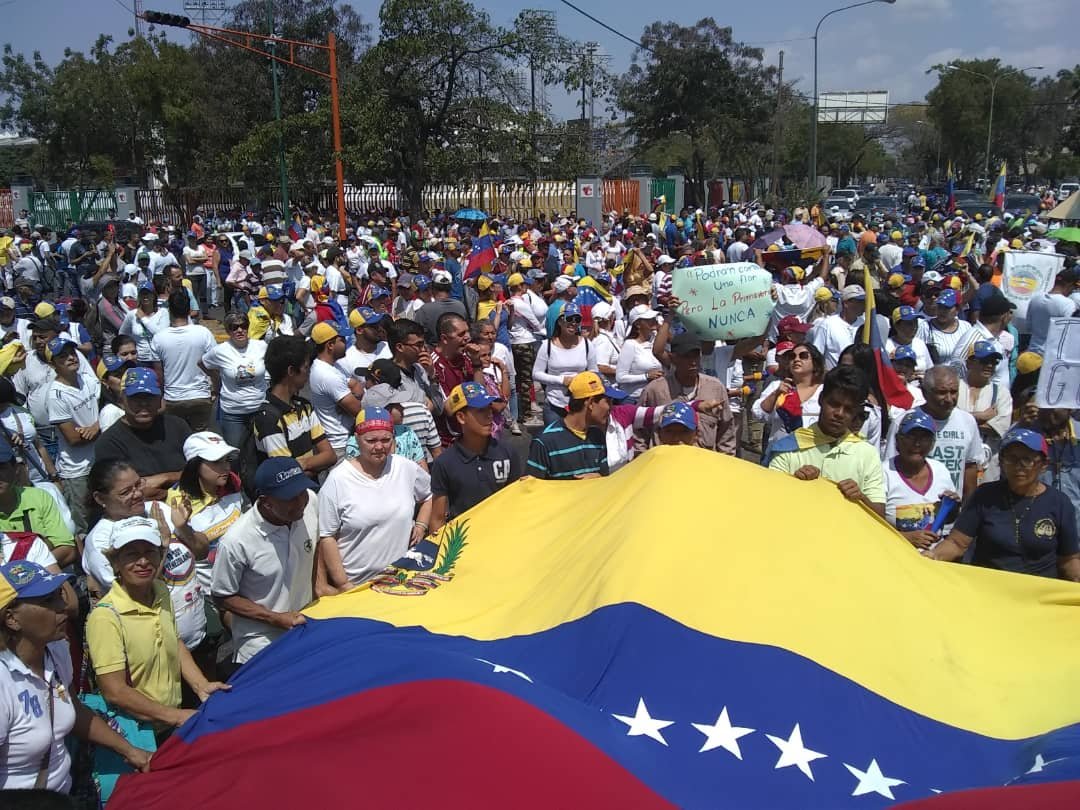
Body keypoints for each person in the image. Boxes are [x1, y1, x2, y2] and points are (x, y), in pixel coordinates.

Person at [0, 560, 152, 791]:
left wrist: (131, 751)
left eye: (59, 595)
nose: (63, 605)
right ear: (12, 618)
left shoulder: (57, 649)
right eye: (48, 601)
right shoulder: (3, 683)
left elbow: (73, 708)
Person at [85, 516, 229, 736]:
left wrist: (201, 685)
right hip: (140, 734)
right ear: (115, 563)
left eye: (150, 552)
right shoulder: (105, 617)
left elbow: (174, 642)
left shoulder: (160, 590)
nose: (143, 561)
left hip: (171, 723)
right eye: (132, 554)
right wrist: (175, 716)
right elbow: (114, 691)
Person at [83, 458, 209, 657]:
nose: (138, 494)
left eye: (138, 484)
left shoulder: (158, 509)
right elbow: (136, 595)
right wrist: (163, 545)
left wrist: (184, 528)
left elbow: (202, 552)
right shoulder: (100, 542)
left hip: (199, 632)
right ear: (100, 499)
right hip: (157, 648)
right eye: (126, 492)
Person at [930, 428, 1080, 581]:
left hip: (1038, 595)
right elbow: (956, 543)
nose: (1018, 466)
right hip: (989, 589)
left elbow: (1069, 560)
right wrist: (932, 556)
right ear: (1001, 462)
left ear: (1043, 465)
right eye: (1011, 459)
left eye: (1027, 460)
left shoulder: (1059, 503)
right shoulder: (985, 495)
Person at [315, 407, 433, 594]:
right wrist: (343, 584)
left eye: (386, 440)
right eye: (371, 440)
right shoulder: (338, 480)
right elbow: (327, 537)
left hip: (402, 578)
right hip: (359, 586)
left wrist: (421, 525)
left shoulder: (405, 468)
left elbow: (427, 495)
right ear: (356, 439)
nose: (379, 447)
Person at [210, 457, 315, 665]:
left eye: (302, 492)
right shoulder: (236, 541)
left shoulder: (310, 503)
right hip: (261, 645)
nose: (300, 502)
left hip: (306, 628)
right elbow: (222, 596)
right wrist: (274, 618)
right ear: (266, 502)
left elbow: (316, 546)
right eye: (290, 498)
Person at [766, 366, 886, 517]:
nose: (839, 414)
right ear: (821, 399)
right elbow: (769, 501)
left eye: (848, 409)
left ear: (857, 412)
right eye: (834, 404)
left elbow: (880, 515)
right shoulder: (789, 447)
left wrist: (861, 498)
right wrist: (794, 483)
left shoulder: (867, 454)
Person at [429, 383, 522, 535]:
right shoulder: (445, 463)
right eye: (480, 410)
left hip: (505, 536)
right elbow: (437, 519)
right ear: (461, 417)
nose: (489, 415)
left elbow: (518, 502)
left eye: (489, 408)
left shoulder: (508, 452)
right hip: (464, 544)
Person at [885, 365, 981, 503]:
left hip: (950, 515)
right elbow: (891, 466)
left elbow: (970, 468)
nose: (949, 398)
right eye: (942, 392)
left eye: (954, 392)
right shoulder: (903, 422)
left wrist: (967, 513)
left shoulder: (967, 421)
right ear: (924, 392)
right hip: (909, 511)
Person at [93, 368, 192, 502]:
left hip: (190, 502)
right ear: (122, 400)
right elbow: (125, 493)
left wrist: (165, 478)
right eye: (135, 398)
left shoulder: (178, 426)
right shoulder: (109, 443)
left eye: (150, 397)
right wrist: (178, 482)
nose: (144, 403)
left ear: (159, 400)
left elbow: (201, 470)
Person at [251, 335, 336, 480]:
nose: (308, 372)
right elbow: (287, 475)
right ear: (291, 371)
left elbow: (330, 456)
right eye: (306, 367)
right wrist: (315, 465)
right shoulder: (268, 418)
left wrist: (302, 464)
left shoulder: (304, 406)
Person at [639, 332, 737, 454]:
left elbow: (726, 430)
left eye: (696, 356)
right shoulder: (655, 390)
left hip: (704, 464)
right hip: (663, 464)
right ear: (673, 358)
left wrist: (725, 461)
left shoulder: (715, 388)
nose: (693, 362)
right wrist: (642, 461)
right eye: (686, 356)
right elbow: (639, 431)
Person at [43, 337, 101, 535]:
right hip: (76, 471)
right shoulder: (56, 395)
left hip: (99, 460)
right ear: (53, 364)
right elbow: (73, 439)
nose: (70, 358)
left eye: (72, 353)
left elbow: (109, 407)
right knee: (83, 523)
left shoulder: (89, 380)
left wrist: (97, 426)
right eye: (62, 356)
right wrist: (101, 428)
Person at [884, 409, 958, 550]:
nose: (917, 444)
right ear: (898, 440)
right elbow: (872, 526)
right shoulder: (883, 473)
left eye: (924, 438)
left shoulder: (941, 470)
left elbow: (948, 520)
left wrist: (953, 507)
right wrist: (907, 538)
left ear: (932, 443)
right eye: (911, 437)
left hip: (935, 560)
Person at [527, 371, 623, 480]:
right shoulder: (544, 442)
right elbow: (531, 489)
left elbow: (605, 477)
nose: (611, 407)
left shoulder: (597, 435)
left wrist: (599, 478)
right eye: (608, 402)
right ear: (591, 403)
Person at [0, 442, 76, 569]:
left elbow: (68, 551)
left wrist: (24, 574)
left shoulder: (39, 497)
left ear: (16, 468)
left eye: (1, 467)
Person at [201, 311, 268, 450]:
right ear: (228, 330)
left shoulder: (261, 346)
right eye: (234, 327)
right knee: (235, 454)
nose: (239, 330)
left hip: (260, 409)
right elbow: (202, 363)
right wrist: (216, 378)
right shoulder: (219, 351)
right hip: (233, 413)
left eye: (243, 326)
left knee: (263, 451)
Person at [532, 304, 598, 427]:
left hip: (580, 404)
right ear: (560, 321)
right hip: (554, 404)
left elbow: (594, 372)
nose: (573, 323)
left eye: (577, 319)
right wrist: (562, 380)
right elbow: (536, 374)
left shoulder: (587, 345)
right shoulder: (547, 345)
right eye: (569, 318)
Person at [308, 322, 364, 462]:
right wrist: (353, 399)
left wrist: (352, 397)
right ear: (330, 345)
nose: (347, 342)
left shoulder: (332, 366)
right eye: (342, 339)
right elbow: (358, 410)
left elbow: (356, 385)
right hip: (339, 445)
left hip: (340, 441)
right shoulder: (327, 375)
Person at [753, 343, 825, 444]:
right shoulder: (777, 386)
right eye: (792, 356)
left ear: (815, 363)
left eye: (803, 356)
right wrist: (776, 394)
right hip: (779, 452)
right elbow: (759, 414)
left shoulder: (824, 391)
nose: (796, 359)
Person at [615, 304, 664, 403]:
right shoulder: (630, 345)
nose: (653, 320)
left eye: (653, 317)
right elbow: (620, 377)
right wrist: (645, 376)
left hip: (654, 397)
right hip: (634, 399)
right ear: (638, 324)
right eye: (648, 319)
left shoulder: (655, 340)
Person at [809, 285, 864, 369]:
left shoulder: (864, 324)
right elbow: (817, 354)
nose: (863, 305)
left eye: (863, 301)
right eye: (859, 301)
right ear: (846, 303)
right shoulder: (827, 324)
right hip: (835, 378)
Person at [1025, 268, 1077, 354]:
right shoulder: (1068, 304)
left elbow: (1028, 327)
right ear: (1069, 285)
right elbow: (1069, 333)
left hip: (1033, 352)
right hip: (1052, 356)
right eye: (1073, 288)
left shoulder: (1036, 298)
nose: (1072, 291)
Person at [917, 289, 973, 367]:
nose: (942, 311)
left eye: (947, 308)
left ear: (957, 309)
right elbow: (918, 356)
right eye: (940, 307)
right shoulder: (925, 326)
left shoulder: (966, 327)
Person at [885, 306, 932, 374]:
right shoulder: (886, 346)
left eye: (915, 322)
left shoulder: (920, 344)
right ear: (896, 326)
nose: (914, 327)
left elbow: (930, 369)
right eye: (909, 324)